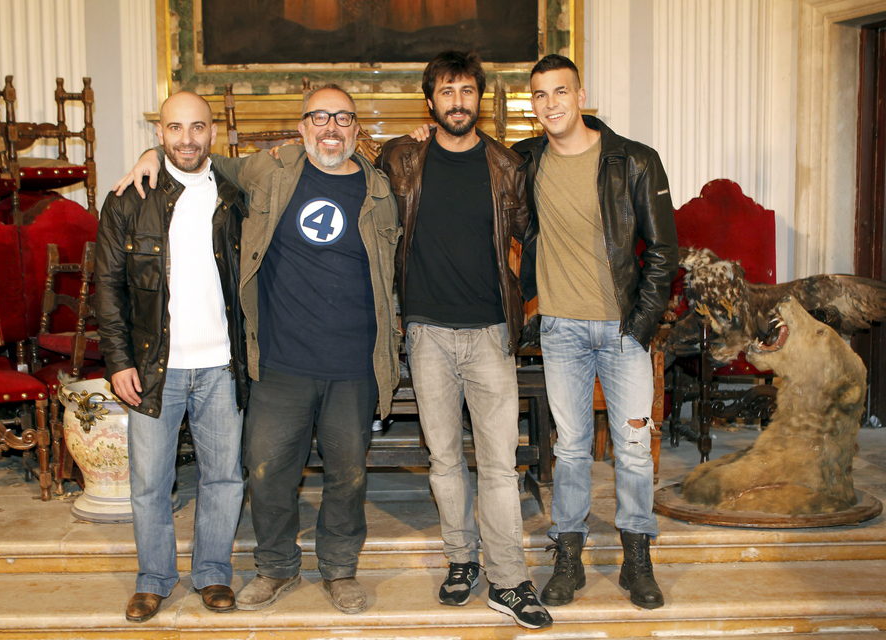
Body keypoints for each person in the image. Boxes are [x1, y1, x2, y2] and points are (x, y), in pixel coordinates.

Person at [117, 84, 401, 615]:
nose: (330, 129)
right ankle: (276, 568)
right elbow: (201, 157)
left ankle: (339, 569)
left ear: (357, 130)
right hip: (278, 360)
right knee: (266, 472)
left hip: (353, 364)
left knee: (348, 474)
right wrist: (150, 154)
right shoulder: (269, 171)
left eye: (343, 119)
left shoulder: (380, 190)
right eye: (319, 118)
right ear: (301, 128)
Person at [376, 51, 552, 630]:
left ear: (480, 98)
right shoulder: (402, 158)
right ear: (430, 101)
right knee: (445, 460)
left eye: (467, 91)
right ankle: (461, 559)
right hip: (426, 333)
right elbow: (339, 164)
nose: (458, 102)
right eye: (446, 92)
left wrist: (517, 302)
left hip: (489, 334)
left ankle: (509, 578)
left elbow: (532, 238)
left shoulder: (505, 164)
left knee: (499, 466)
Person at [512, 54, 678, 610]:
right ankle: (568, 558)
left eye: (560, 91)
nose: (551, 103)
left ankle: (637, 560)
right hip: (560, 330)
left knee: (632, 447)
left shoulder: (633, 160)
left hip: (622, 330)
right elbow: (462, 156)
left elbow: (663, 251)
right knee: (573, 449)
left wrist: (640, 325)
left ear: (581, 95)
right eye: (540, 95)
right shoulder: (524, 161)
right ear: (532, 106)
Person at [95, 91, 249, 623]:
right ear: (159, 133)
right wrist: (118, 360)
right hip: (154, 364)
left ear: (213, 133)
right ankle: (154, 579)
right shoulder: (126, 199)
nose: (187, 138)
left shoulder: (233, 195)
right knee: (150, 482)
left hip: (222, 365)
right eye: (175, 128)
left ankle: (212, 574)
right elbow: (108, 288)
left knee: (224, 477)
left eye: (198, 127)